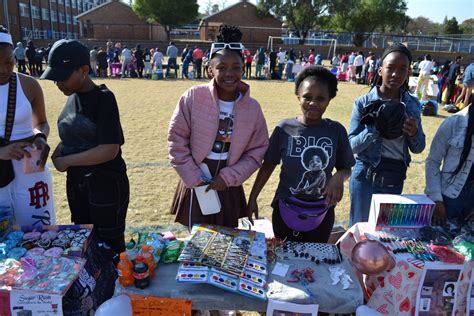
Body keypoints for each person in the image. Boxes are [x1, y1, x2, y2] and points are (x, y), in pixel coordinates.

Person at [168, 25, 269, 229]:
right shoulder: (193, 97)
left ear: (243, 68)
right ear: (210, 69)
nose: (229, 73)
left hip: (228, 182)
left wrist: (228, 177)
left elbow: (256, 152)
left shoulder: (253, 108)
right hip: (197, 179)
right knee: (198, 239)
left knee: (226, 240)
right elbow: (176, 141)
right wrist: (195, 177)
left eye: (235, 67)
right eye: (221, 67)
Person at [246, 66, 354, 242]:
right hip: (286, 209)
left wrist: (338, 178)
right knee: (283, 258)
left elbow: (346, 168)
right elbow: (267, 167)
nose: (313, 103)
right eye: (307, 97)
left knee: (315, 260)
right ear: (298, 96)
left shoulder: (336, 131)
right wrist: (253, 198)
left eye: (321, 98)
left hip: (321, 212)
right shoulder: (284, 129)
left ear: (329, 100)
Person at [41, 39, 129, 253]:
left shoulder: (103, 98)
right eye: (54, 78)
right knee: (84, 241)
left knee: (109, 247)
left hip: (105, 185)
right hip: (78, 185)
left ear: (83, 70)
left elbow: (109, 149)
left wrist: (65, 161)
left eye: (62, 77)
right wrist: (58, 151)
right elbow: (75, 134)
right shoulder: (72, 96)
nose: (58, 83)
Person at [348, 43, 426, 225]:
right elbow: (352, 145)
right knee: (359, 230)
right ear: (380, 69)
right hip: (366, 175)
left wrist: (413, 132)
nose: (395, 74)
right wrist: (375, 128)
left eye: (402, 69)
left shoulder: (412, 104)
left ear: (408, 73)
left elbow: (419, 148)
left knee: (384, 231)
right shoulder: (363, 103)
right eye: (390, 68)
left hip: (394, 175)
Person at [0, 26, 56, 225]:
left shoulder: (28, 85)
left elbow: (41, 123)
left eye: (9, 62)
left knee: (39, 232)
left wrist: (40, 137)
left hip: (31, 170)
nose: (3, 70)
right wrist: (2, 152)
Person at [425, 96, 474, 226]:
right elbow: (433, 162)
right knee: (441, 242)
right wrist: (436, 200)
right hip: (448, 197)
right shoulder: (455, 122)